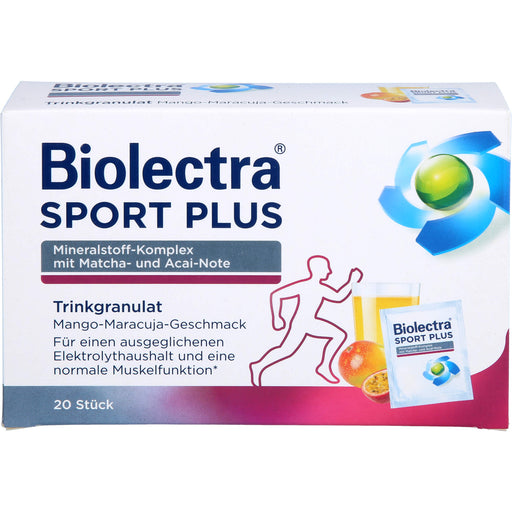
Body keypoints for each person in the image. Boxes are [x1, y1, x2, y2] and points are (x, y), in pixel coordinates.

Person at [250, 256, 363, 386]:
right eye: (326, 268)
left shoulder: (320, 287)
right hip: (301, 324)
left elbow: (338, 297)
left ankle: (323, 367)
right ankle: (258, 366)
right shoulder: (305, 286)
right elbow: (277, 295)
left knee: (338, 335)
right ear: (318, 270)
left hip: (311, 323)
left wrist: (352, 281)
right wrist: (277, 318)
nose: (329, 271)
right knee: (285, 350)